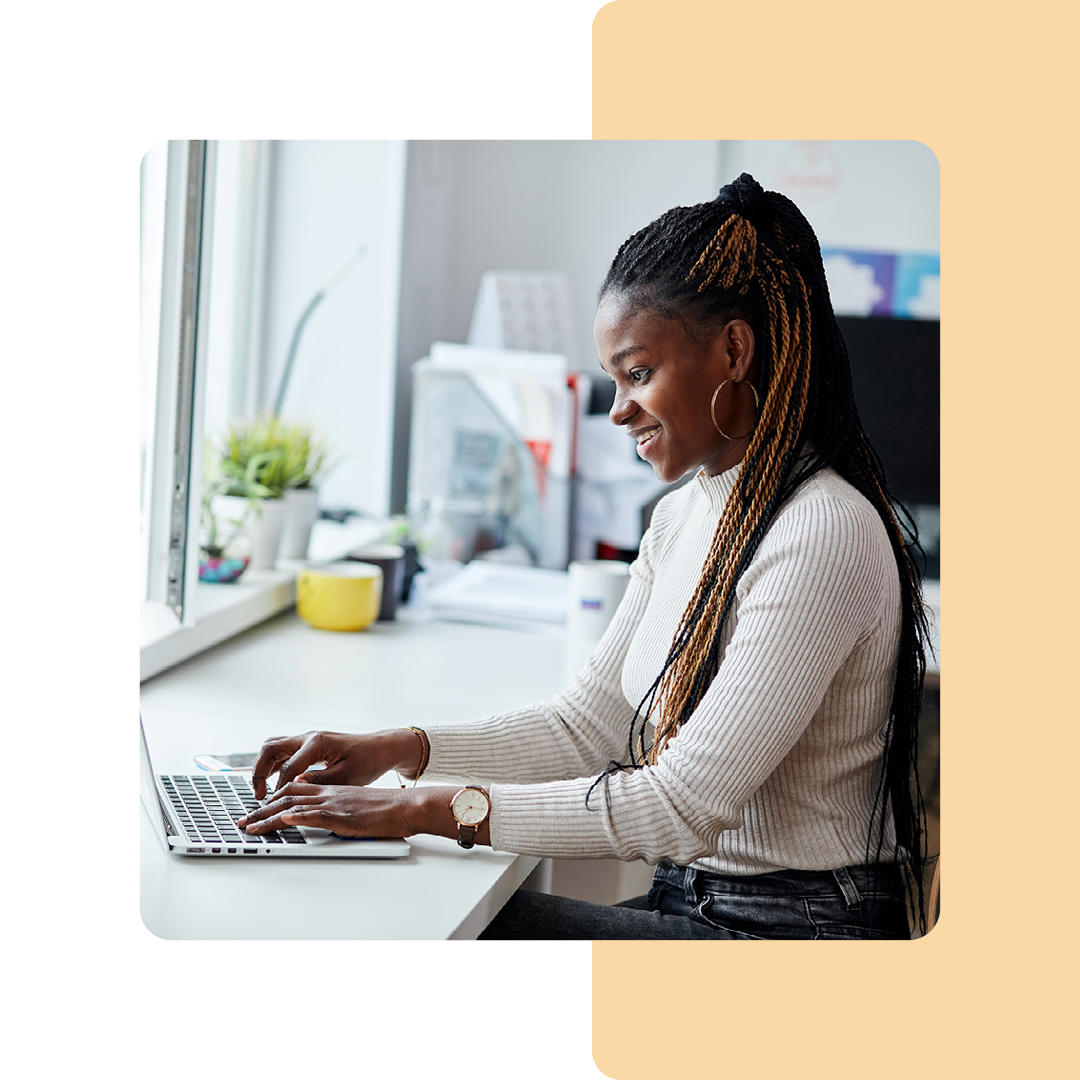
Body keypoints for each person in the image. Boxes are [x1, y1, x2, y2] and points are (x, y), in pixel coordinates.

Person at [238, 173, 931, 940]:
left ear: (734, 349)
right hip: (697, 906)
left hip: (790, 937)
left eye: (638, 373)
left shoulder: (822, 530)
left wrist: (420, 808)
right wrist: (401, 751)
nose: (617, 409)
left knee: (433, 931)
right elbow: (587, 727)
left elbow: (680, 805)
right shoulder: (681, 518)